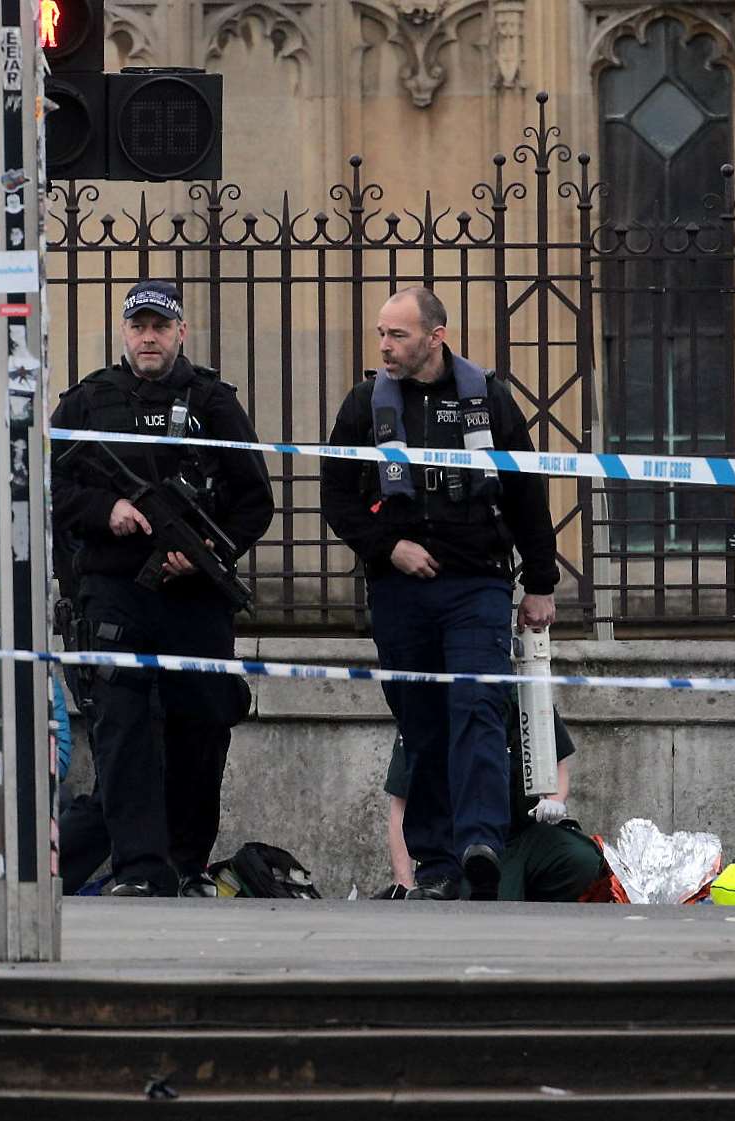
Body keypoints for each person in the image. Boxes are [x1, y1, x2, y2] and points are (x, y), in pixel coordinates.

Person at [320, 287, 559, 902]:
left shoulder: (490, 400)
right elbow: (338, 498)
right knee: (420, 720)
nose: (384, 346)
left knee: (477, 709)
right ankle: (434, 863)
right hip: (401, 589)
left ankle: (479, 843)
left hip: (476, 583)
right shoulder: (362, 406)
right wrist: (386, 547)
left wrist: (540, 583)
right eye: (380, 333)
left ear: (436, 336)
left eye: (397, 335)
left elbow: (526, 492)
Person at [50, 280, 273, 898]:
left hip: (195, 597)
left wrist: (202, 559)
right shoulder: (87, 403)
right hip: (116, 590)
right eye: (139, 326)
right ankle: (139, 871)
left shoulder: (212, 403)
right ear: (124, 332)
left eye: (161, 326)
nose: (149, 337)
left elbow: (255, 501)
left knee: (202, 726)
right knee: (121, 733)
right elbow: (47, 489)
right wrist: (109, 509)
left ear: (180, 333)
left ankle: (185, 862)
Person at [377, 698, 604, 902]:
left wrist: (555, 800)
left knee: (582, 859)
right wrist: (404, 884)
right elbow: (402, 805)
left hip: (522, 834)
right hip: (466, 844)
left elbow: (557, 762)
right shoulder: (431, 705)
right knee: (488, 899)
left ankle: (529, 895)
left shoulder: (523, 696)